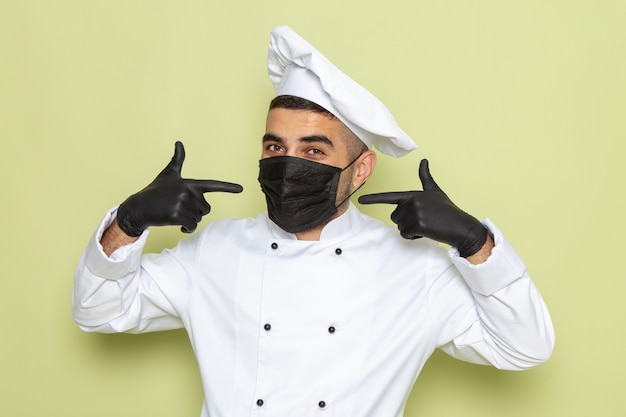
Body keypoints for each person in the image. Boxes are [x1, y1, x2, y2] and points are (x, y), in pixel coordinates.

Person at [73, 26, 554, 417]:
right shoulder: (213, 251)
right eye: (275, 147)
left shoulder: (414, 270)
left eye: (314, 150)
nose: (287, 163)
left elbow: (525, 347)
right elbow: (97, 311)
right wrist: (130, 220)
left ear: (361, 169)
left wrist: (475, 242)